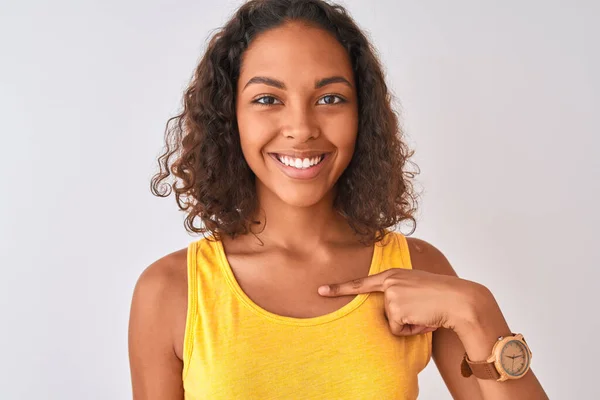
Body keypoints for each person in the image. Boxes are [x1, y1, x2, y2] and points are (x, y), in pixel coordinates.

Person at [128, 0, 549, 398]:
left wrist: (476, 309)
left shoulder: (417, 267)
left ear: (361, 114)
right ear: (229, 115)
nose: (301, 127)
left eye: (330, 98)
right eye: (267, 99)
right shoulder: (171, 290)